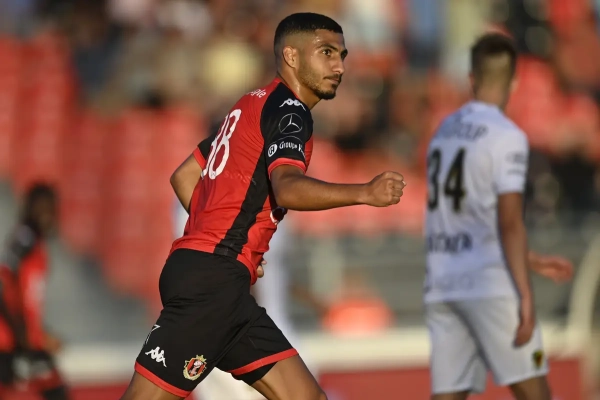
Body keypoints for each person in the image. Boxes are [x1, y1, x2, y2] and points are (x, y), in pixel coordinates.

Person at [121, 12, 406, 400]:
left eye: (341, 55)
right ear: (291, 55)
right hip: (213, 283)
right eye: (326, 52)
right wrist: (364, 192)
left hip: (221, 281)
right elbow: (287, 189)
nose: (339, 66)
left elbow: (184, 176)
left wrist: (222, 240)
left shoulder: (250, 104)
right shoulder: (290, 111)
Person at [424, 33, 574, 400]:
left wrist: (530, 259)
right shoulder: (507, 136)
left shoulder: (444, 130)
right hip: (488, 284)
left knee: (449, 395)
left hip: (443, 282)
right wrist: (525, 294)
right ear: (514, 82)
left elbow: (466, 218)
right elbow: (509, 221)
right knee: (535, 393)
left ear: (471, 78)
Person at [0, 183, 69, 400]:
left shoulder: (36, 242)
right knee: (56, 391)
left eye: (50, 208)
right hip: (9, 339)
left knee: (56, 390)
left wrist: (41, 333)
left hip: (23, 338)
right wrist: (22, 335)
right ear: (29, 208)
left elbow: (27, 300)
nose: (46, 214)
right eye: (40, 207)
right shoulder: (24, 238)